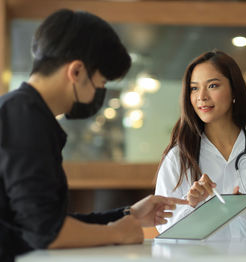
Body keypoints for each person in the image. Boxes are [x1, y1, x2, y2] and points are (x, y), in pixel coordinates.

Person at [0, 9, 187, 262]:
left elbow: (49, 222)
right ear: (76, 72)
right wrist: (116, 234)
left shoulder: (23, 112)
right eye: (100, 84)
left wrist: (128, 215)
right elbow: (47, 232)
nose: (98, 94)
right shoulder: (25, 117)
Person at [155, 50, 246, 238]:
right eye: (194, 88)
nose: (202, 96)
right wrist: (194, 205)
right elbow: (166, 229)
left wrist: (242, 208)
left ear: (235, 90)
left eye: (212, 85)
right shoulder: (178, 158)